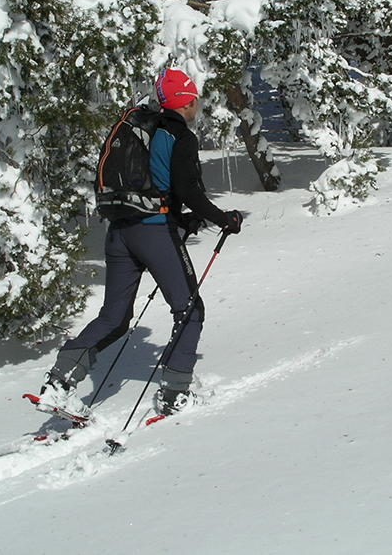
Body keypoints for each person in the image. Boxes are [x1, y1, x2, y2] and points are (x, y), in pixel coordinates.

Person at [37, 67, 243, 417]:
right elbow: (188, 189)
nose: (197, 105)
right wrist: (224, 218)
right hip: (153, 233)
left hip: (120, 232)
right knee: (190, 310)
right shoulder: (181, 137)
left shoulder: (144, 129)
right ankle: (175, 395)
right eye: (194, 100)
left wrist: (184, 218)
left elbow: (154, 185)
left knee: (115, 318)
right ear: (185, 102)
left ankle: (59, 382)